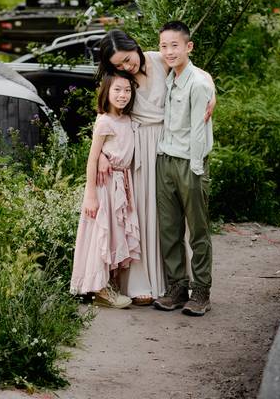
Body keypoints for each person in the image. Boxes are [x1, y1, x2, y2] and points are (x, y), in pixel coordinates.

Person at [95, 29, 215, 306]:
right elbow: (105, 111)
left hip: (169, 143)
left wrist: (213, 98)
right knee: (142, 212)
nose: (127, 67)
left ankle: (179, 284)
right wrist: (101, 152)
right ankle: (142, 282)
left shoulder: (160, 59)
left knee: (171, 219)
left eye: (127, 59)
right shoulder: (120, 79)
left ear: (134, 47)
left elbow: (201, 76)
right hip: (137, 146)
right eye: (119, 65)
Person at [152, 21, 214, 316]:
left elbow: (199, 130)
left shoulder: (199, 83)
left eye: (174, 45)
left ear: (189, 46)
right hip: (165, 160)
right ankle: (177, 287)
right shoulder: (169, 76)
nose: (168, 51)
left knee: (198, 230)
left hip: (191, 163)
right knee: (169, 228)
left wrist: (198, 169)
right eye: (163, 46)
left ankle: (201, 291)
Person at [70, 72, 141, 309]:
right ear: (106, 93)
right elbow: (91, 160)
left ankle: (109, 284)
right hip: (105, 186)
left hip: (122, 183)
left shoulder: (128, 119)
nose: (122, 95)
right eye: (117, 90)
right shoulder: (104, 121)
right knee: (101, 233)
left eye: (127, 90)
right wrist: (90, 195)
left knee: (115, 233)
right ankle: (99, 288)